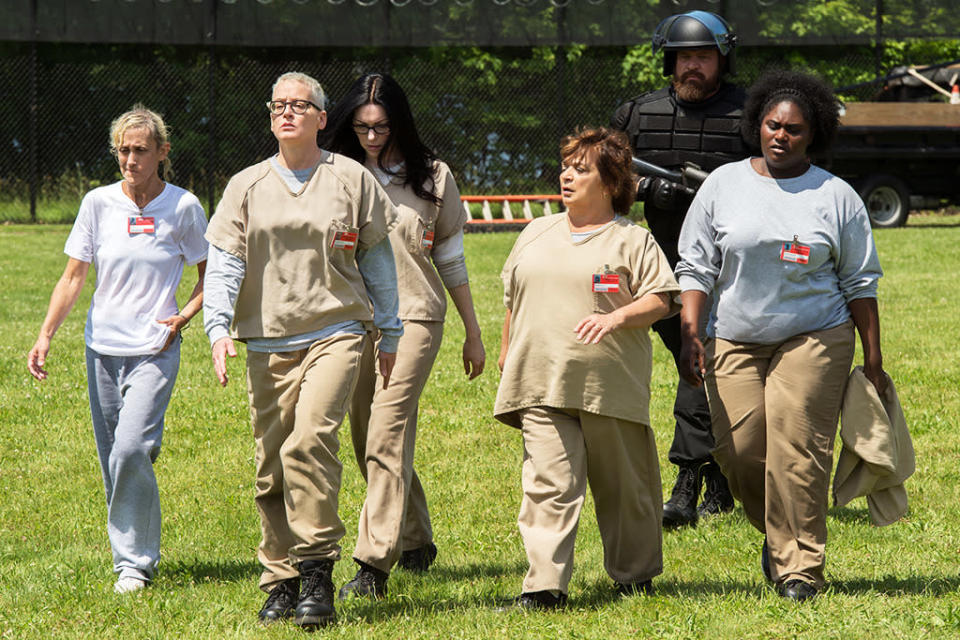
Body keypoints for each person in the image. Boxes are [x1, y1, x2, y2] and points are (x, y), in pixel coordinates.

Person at [674, 69, 884, 601]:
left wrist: (875, 359)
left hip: (815, 334)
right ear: (757, 124)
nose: (780, 136)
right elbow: (696, 267)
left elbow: (860, 281)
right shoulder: (723, 185)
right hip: (733, 336)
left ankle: (799, 567)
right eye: (772, 125)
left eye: (793, 129)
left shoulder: (836, 196)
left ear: (812, 134)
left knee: (800, 449)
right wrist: (691, 332)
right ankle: (778, 533)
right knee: (740, 452)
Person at [202, 72, 402, 628]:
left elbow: (377, 260)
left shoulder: (351, 179)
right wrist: (218, 329)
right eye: (278, 105)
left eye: (300, 105)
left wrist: (390, 330)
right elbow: (226, 263)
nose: (287, 112)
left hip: (337, 331)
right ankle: (281, 579)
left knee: (309, 441)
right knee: (271, 465)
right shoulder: (246, 185)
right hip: (267, 339)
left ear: (320, 117)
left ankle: (316, 573)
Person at [494, 127, 680, 608]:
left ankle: (634, 575)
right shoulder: (536, 231)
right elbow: (513, 297)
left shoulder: (632, 240)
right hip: (540, 380)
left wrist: (618, 316)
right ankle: (544, 587)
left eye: (582, 169)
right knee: (547, 485)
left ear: (610, 181)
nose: (567, 175)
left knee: (624, 489)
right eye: (566, 166)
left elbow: (662, 299)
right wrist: (505, 347)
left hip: (608, 385)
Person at [27, 105, 207, 594]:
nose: (130, 159)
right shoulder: (98, 204)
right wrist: (46, 334)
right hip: (101, 348)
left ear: (162, 153)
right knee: (116, 460)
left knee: (129, 448)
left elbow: (209, 275)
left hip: (154, 347)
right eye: (123, 150)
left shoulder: (184, 206)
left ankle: (134, 564)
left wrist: (184, 317)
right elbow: (73, 275)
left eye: (140, 150)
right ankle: (128, 554)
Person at [319, 72, 486, 599]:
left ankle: (373, 564)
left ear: (400, 124)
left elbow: (451, 257)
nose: (371, 137)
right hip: (353, 319)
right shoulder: (335, 176)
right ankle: (414, 538)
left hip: (416, 318)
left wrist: (472, 333)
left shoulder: (433, 177)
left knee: (387, 430)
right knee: (367, 434)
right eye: (362, 127)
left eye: (382, 127)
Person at [611, 9, 746, 527]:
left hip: (724, 267)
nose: (694, 67)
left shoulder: (749, 114)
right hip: (660, 263)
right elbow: (602, 176)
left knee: (700, 359)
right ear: (671, 60)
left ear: (721, 60)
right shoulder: (638, 114)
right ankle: (717, 478)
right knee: (693, 365)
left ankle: (687, 479)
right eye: (686, 57)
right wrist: (649, 188)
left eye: (704, 57)